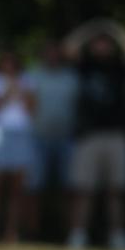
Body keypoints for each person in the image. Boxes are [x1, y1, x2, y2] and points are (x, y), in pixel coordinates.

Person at [64, 18, 125, 250]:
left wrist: (113, 30)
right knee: (83, 190)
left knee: (117, 190)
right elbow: (69, 47)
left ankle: (117, 235)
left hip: (117, 134)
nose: (102, 46)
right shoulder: (84, 65)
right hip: (88, 135)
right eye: (98, 42)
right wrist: (93, 29)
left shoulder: (119, 66)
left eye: (106, 43)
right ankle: (78, 236)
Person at [0, 50, 36, 244]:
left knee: (16, 190)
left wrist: (19, 90)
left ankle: (12, 234)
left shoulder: (27, 80)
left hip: (21, 135)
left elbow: (32, 109)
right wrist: (5, 93)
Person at [24, 40, 79, 239]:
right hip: (36, 139)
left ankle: (69, 234)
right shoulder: (31, 75)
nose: (52, 56)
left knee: (69, 189)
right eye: (49, 52)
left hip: (66, 139)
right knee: (33, 189)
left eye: (56, 53)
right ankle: (32, 233)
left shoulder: (71, 78)